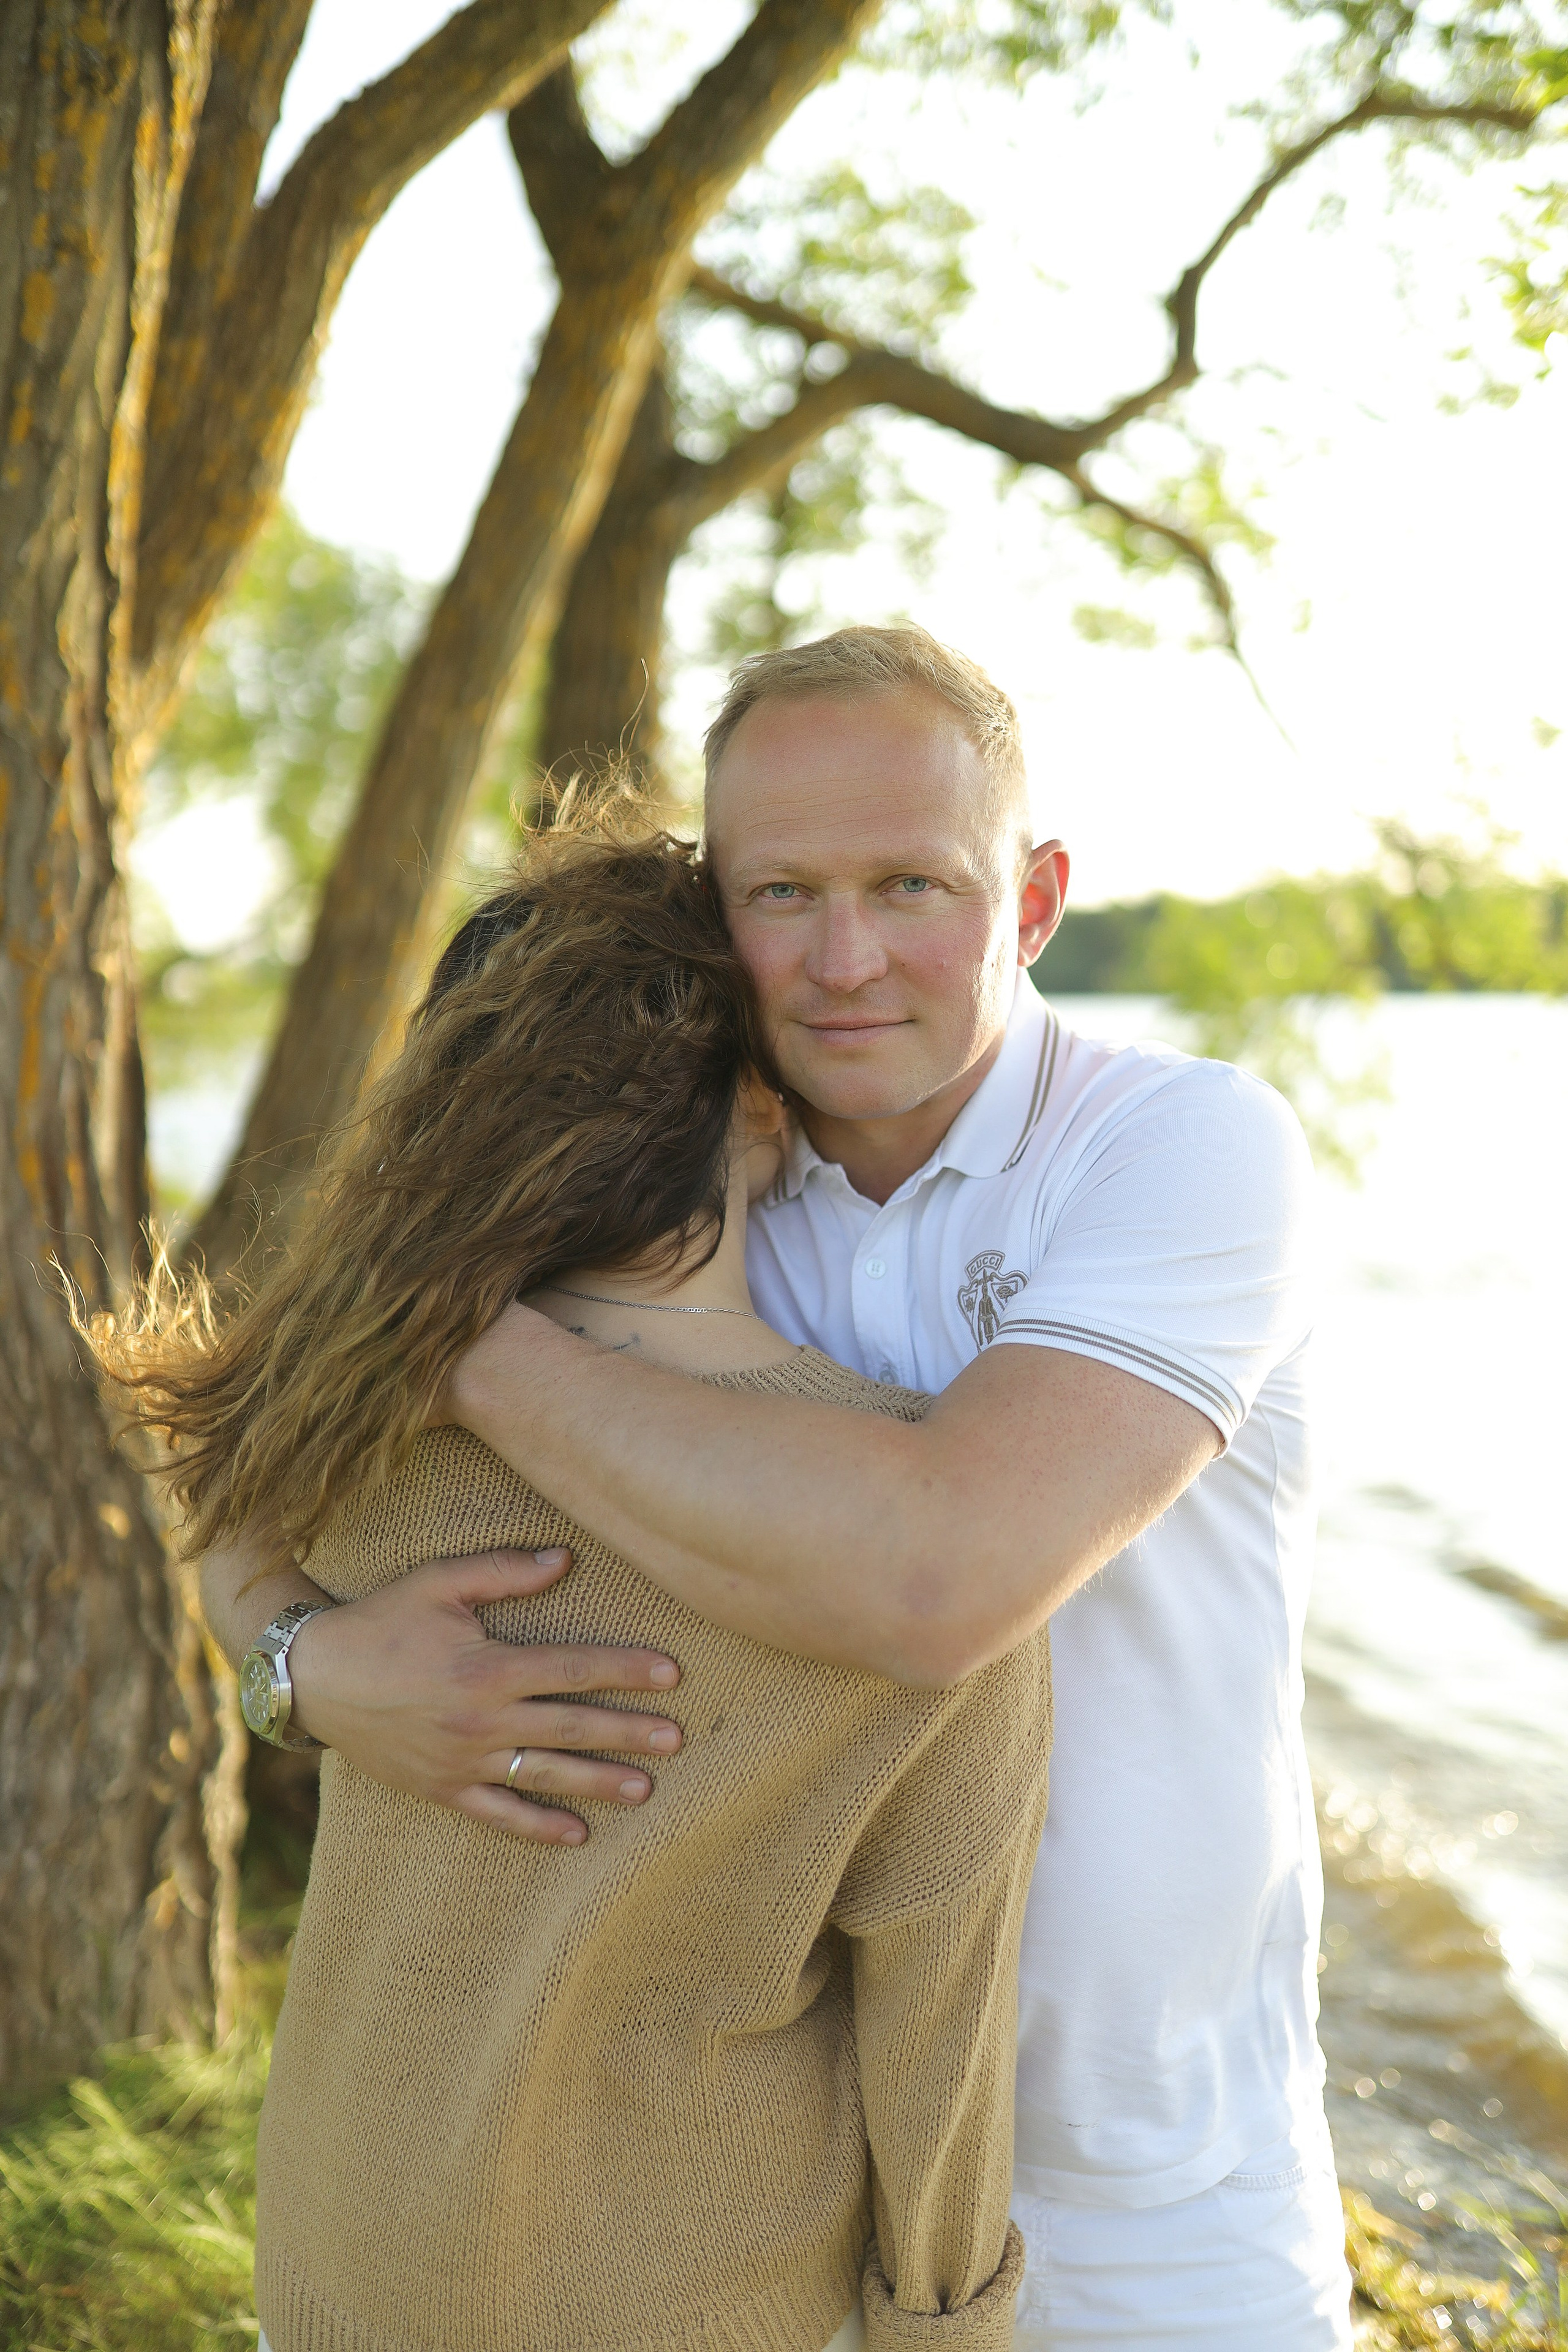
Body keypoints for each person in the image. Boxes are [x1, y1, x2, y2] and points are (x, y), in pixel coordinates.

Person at [205, 625, 1352, 2350]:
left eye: (912, 885)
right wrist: (307, 1660)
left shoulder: (1182, 1153)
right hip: (785, 2171)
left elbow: (938, 1586)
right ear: (713, 914)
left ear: (1033, 904)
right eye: (782, 893)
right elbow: (239, 1460)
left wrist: (453, 1334)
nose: (844, 960)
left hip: (1156, 2167)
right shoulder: (690, 1176)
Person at [105, 801, 1051, 2352]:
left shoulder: (361, 1423)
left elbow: (218, 1509)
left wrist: (304, 1663)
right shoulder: (909, 1558)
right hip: (689, 2310)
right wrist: (944, 2328)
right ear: (758, 1107)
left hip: (339, 2251)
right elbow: (935, 2049)